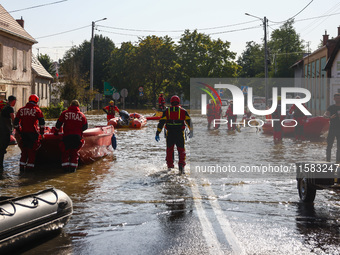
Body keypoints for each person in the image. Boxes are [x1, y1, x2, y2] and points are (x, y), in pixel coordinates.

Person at [155, 95, 192, 174]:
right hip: (179, 134)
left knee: (169, 150)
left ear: (171, 102)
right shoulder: (183, 111)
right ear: (179, 102)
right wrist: (191, 131)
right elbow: (189, 122)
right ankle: (181, 167)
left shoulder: (166, 111)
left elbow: (161, 123)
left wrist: (157, 133)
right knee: (181, 150)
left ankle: (170, 167)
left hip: (170, 134)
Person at [54, 100, 88, 172]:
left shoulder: (65, 113)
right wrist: (79, 131)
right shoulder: (82, 115)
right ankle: (73, 169)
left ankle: (65, 169)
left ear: (70, 105)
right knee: (74, 153)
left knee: (65, 152)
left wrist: (56, 132)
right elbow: (85, 127)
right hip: (77, 136)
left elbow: (58, 124)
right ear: (78, 106)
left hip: (67, 136)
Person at [14, 94, 45, 171]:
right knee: (31, 152)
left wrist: (19, 131)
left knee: (24, 151)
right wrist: (42, 133)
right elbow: (42, 123)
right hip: (33, 133)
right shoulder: (37, 110)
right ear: (36, 101)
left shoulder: (21, 110)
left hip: (23, 133)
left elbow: (15, 123)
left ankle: (21, 168)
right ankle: (29, 171)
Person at [0, 96, 16, 170]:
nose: (15, 103)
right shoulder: (10, 108)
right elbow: (13, 119)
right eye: (15, 101)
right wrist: (17, 126)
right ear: (12, 101)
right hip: (5, 130)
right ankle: (1, 166)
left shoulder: (4, 108)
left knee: (2, 147)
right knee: (3, 147)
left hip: (1, 129)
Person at [323, 93, 340, 162]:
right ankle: (328, 160)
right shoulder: (331, 107)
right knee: (329, 146)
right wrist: (330, 117)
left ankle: (338, 161)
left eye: (339, 98)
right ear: (334, 99)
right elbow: (324, 115)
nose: (338, 99)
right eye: (336, 98)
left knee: (339, 147)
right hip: (332, 129)